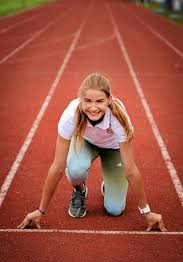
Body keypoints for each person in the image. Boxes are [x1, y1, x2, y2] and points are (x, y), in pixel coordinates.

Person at [17, 73, 167, 231]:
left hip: (113, 149)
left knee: (115, 210)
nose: (93, 107)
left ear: (109, 100)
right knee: (75, 169)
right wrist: (41, 211)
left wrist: (146, 212)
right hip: (85, 141)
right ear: (80, 99)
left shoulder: (119, 118)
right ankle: (80, 190)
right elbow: (58, 167)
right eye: (87, 101)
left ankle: (109, 186)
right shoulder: (70, 115)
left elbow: (130, 170)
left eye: (100, 101)